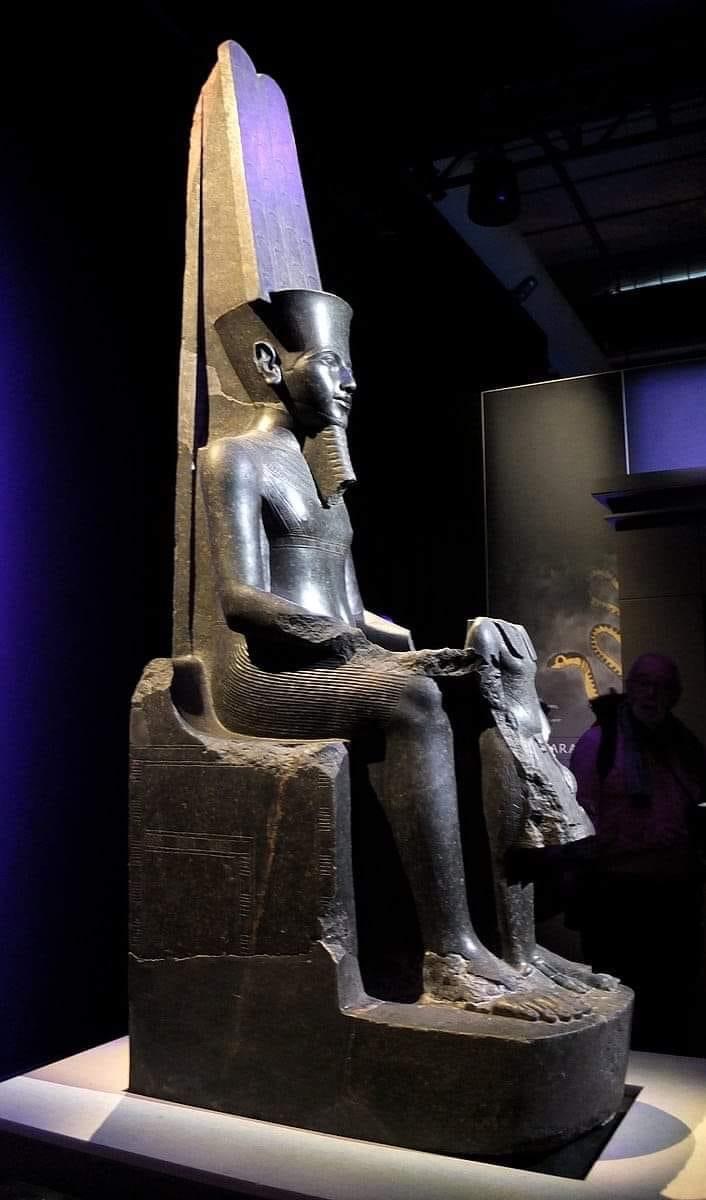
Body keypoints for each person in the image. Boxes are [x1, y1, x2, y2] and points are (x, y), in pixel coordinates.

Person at [200, 288, 588, 1020]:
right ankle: (451, 954)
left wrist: (428, 650)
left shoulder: (326, 484)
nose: (350, 383)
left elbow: (352, 613)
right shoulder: (235, 458)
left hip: (331, 662)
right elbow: (241, 599)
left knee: (493, 676)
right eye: (331, 364)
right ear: (270, 364)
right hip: (263, 677)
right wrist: (364, 651)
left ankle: (520, 946)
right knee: (410, 698)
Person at [570, 653, 706, 1050]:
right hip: (617, 900)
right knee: (618, 998)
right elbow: (578, 821)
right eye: (644, 684)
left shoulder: (685, 746)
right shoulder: (599, 744)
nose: (651, 694)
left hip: (675, 898)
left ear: (675, 695)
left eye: (661, 686)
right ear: (630, 688)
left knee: (671, 999)